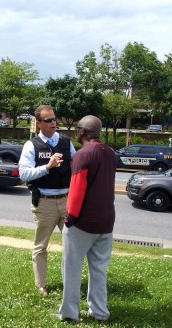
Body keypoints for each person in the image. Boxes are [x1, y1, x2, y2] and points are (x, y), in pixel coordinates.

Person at [59, 115, 116, 322]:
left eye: (77, 128)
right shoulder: (110, 152)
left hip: (83, 222)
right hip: (106, 221)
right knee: (99, 270)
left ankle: (69, 314)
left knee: (71, 269)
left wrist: (70, 217)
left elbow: (77, 189)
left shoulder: (83, 154)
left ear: (82, 131)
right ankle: (100, 312)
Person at [19, 105, 76, 295]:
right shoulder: (32, 145)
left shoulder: (66, 143)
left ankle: (70, 283)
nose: (54, 123)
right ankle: (41, 285)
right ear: (39, 124)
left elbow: (76, 167)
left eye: (54, 119)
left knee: (72, 244)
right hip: (44, 202)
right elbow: (24, 174)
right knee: (41, 246)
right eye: (49, 120)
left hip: (67, 200)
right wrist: (47, 167)